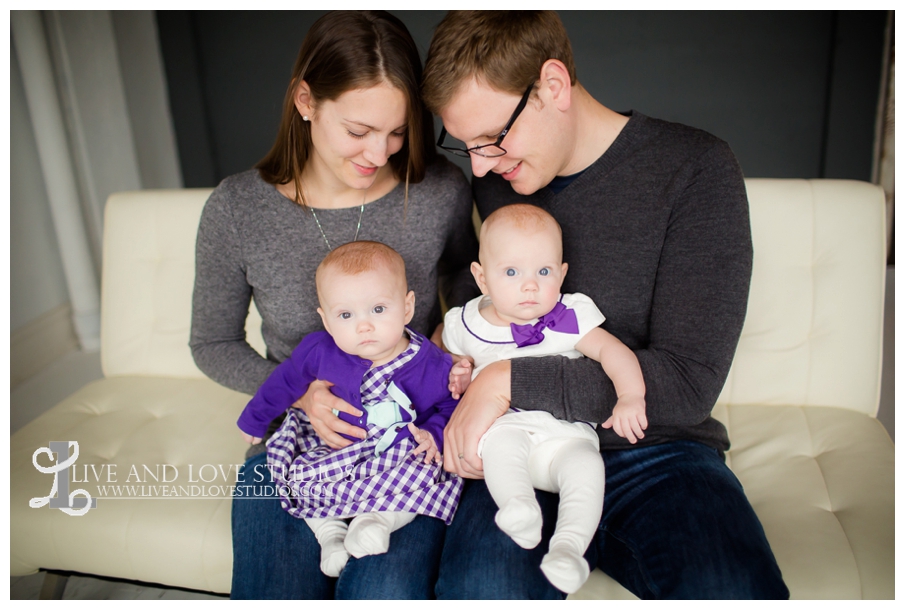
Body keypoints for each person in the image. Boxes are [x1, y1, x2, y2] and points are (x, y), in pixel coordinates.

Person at [422, 10, 789, 599]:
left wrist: (506, 380)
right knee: (480, 588)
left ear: (553, 86)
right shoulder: (500, 180)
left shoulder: (696, 170)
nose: (483, 165)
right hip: (519, 443)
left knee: (729, 588)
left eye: (492, 139)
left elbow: (689, 382)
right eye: (466, 147)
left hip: (657, 448)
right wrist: (463, 374)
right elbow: (474, 312)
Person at [190, 11, 478, 599]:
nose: (381, 151)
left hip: (405, 443)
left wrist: (449, 353)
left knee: (383, 592)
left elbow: (468, 291)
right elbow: (211, 343)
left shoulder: (438, 190)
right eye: (358, 130)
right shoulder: (237, 209)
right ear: (305, 101)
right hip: (297, 436)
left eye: (397, 131)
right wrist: (297, 391)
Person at [442, 204, 645, 594]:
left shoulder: (568, 316)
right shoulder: (465, 322)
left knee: (587, 469)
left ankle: (568, 549)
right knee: (501, 446)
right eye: (512, 272)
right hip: (507, 430)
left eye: (544, 272)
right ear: (481, 278)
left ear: (562, 274)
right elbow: (450, 356)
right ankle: (519, 508)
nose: (530, 285)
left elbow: (613, 352)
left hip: (565, 435)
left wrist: (630, 396)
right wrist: (459, 368)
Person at [237, 241, 462, 578]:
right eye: (345, 315)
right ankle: (330, 535)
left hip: (394, 453)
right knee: (298, 475)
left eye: (378, 309)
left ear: (407, 307)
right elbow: (284, 382)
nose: (363, 326)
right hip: (334, 445)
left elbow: (449, 404)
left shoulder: (430, 362)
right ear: (326, 320)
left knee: (426, 473)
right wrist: (256, 416)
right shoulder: (319, 350)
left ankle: (376, 522)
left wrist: (434, 433)